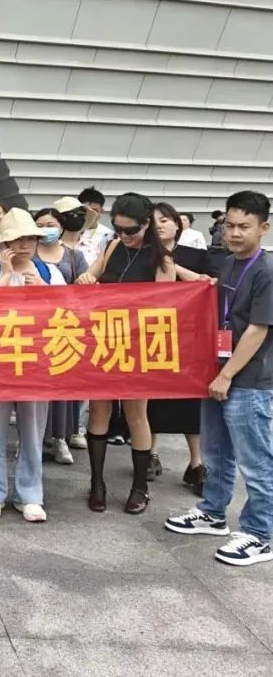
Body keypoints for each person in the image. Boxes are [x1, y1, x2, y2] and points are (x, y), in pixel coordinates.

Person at [165, 190, 273, 566]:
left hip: (248, 381)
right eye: (230, 225)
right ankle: (213, 513)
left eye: (245, 226)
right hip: (217, 373)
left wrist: (226, 375)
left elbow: (257, 331)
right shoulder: (227, 264)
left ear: (263, 228)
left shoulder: (266, 271)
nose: (235, 233)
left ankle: (260, 534)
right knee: (216, 452)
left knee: (256, 461)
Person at [77, 193, 175, 515]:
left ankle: (140, 487)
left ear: (146, 225)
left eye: (130, 230)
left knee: (136, 415)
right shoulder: (113, 247)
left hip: (138, 346)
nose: (123, 235)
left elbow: (165, 309)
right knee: (98, 411)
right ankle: (97, 483)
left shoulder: (161, 260)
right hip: (104, 340)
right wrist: (87, 279)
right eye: (117, 228)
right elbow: (90, 277)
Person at [0, 209, 66, 523]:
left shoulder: (50, 273)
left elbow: (68, 313)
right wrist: (4, 276)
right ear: (4, 242)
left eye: (30, 238)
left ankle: (30, 494)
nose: (24, 244)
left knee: (33, 430)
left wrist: (43, 290)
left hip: (36, 361)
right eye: (17, 239)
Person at [147, 202, 217, 493]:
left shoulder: (197, 255)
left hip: (189, 337)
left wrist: (173, 267)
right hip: (151, 335)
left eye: (165, 220)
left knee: (190, 398)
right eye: (153, 221)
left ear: (178, 223)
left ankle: (196, 463)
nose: (159, 225)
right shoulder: (143, 255)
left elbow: (210, 285)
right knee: (151, 396)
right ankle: (150, 454)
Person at [34, 207, 89, 466]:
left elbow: (87, 288)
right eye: (40, 224)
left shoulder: (74, 256)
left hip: (64, 327)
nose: (46, 229)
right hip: (32, 330)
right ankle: (31, 438)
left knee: (62, 386)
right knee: (35, 387)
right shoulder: (28, 254)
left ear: (61, 226)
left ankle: (60, 438)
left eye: (51, 224)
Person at [76, 186, 115, 267]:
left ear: (102, 211)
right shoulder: (69, 231)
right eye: (86, 210)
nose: (90, 214)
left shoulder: (109, 235)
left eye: (94, 210)